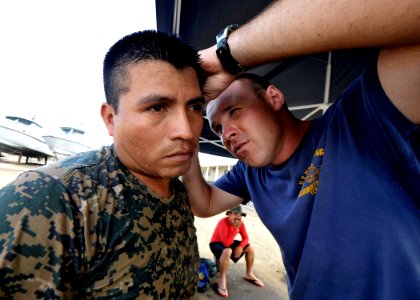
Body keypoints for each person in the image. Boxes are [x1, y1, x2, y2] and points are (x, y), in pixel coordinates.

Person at [182, 0, 420, 299]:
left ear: (274, 97)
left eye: (235, 110)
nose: (226, 134)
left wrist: (227, 56)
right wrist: (189, 139)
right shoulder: (251, 173)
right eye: (216, 128)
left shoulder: (359, 121)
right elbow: (203, 205)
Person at [0, 30, 205, 298]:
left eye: (195, 107)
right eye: (157, 107)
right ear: (110, 118)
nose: (187, 131)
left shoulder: (176, 192)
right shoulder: (50, 200)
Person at [209, 205, 264, 298]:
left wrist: (241, 247)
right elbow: (226, 243)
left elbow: (246, 238)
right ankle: (222, 280)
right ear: (229, 214)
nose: (238, 217)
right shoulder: (223, 222)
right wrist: (235, 228)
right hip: (216, 243)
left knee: (250, 248)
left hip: (229, 242)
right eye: (235, 214)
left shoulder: (240, 223)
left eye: (240, 215)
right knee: (228, 251)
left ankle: (249, 274)